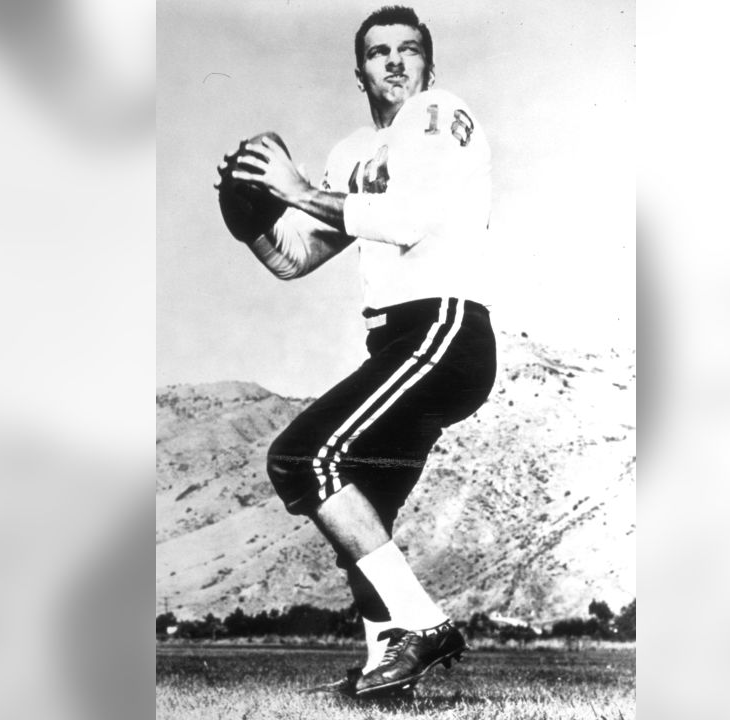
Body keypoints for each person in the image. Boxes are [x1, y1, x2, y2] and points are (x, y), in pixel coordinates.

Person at [216, 6, 495, 698]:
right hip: (399, 341)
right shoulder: (352, 153)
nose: (395, 62)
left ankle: (425, 625)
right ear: (359, 72)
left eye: (409, 51)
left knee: (302, 457)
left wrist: (298, 189)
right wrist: (249, 220)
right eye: (379, 53)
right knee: (360, 511)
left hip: (444, 328)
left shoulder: (434, 115)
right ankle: (385, 672)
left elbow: (404, 219)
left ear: (430, 66)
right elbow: (295, 260)